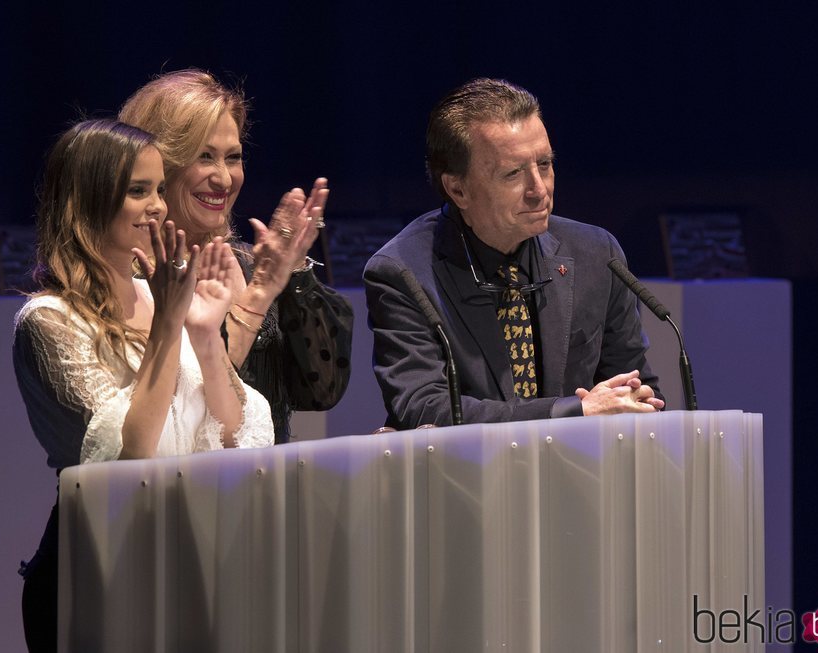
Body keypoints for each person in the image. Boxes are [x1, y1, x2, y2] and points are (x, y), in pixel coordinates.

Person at [13, 118, 273, 653]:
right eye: (137, 191)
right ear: (86, 200)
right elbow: (130, 455)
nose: (157, 206)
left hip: (192, 567)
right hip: (101, 575)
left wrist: (203, 334)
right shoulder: (49, 320)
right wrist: (167, 325)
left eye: (158, 189)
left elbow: (237, 439)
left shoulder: (164, 298)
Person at [363, 77, 665, 429]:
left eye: (545, 164)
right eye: (513, 173)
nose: (539, 190)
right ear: (457, 189)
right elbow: (425, 408)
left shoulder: (597, 255)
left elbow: (635, 386)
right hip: (464, 477)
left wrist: (636, 401)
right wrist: (571, 412)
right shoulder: (402, 273)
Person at [118, 68, 354, 444]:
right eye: (205, 156)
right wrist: (256, 296)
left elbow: (322, 391)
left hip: (265, 493)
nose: (224, 179)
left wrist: (292, 272)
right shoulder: (127, 280)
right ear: (159, 162)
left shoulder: (253, 265)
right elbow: (180, 410)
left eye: (232, 158)